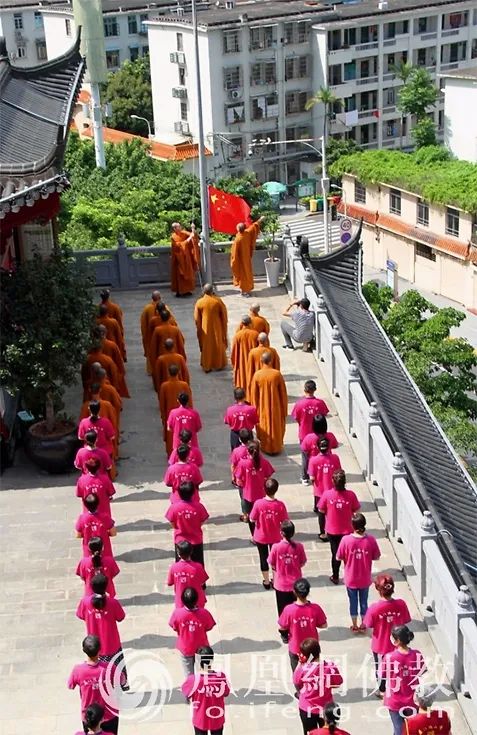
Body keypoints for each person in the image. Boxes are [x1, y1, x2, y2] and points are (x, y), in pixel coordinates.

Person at [363, 574, 411, 696]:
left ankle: (382, 690)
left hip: (381, 645)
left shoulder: (374, 608)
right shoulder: (401, 604)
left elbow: (368, 625)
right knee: (398, 668)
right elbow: (405, 620)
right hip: (398, 644)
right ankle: (398, 687)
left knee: (380, 669)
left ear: (378, 589)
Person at [76, 574, 127, 683]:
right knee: (116, 675)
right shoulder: (113, 602)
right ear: (106, 586)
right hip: (112, 645)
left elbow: (80, 615)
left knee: (100, 677)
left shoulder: (85, 602)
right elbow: (121, 617)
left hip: (94, 647)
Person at [336, 513, 381, 632]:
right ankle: (364, 625)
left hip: (351, 578)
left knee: (353, 602)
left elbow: (338, 557)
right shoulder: (370, 540)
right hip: (365, 577)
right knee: (364, 602)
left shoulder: (346, 540)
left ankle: (354, 625)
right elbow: (376, 556)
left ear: (352, 525)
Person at [68, 636, 119, 734]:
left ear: (83, 650)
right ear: (100, 649)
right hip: (109, 715)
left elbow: (70, 685)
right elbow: (121, 681)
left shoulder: (78, 670)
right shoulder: (109, 668)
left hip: (89, 717)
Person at [381, 625, 426, 735]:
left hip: (395, 700)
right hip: (413, 699)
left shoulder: (389, 657)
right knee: (413, 729)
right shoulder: (417, 654)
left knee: (398, 730)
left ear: (398, 640)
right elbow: (422, 671)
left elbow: (382, 675)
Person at [318, 470, 361, 585]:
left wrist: (322, 531)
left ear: (333, 481)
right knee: (348, 554)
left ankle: (335, 576)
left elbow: (321, 512)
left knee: (335, 554)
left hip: (332, 531)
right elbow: (356, 512)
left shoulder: (327, 495)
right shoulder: (351, 495)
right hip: (348, 530)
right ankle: (350, 576)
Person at [293, 638, 343, 734]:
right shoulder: (330, 667)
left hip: (306, 707)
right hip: (325, 708)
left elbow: (296, 681)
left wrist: (300, 663)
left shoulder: (303, 668)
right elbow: (338, 683)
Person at [278, 578, 327, 672]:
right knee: (313, 673)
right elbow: (324, 625)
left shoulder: (289, 610)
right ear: (308, 592)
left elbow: (282, 627)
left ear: (294, 592)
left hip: (295, 647)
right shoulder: (315, 608)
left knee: (298, 674)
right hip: (312, 647)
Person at [182, 646, 231, 735]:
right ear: (211, 660)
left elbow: (186, 693)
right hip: (217, 718)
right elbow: (226, 692)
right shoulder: (221, 677)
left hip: (200, 719)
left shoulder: (192, 680)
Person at [249, 478, 288, 589]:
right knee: (275, 558)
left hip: (261, 535)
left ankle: (266, 581)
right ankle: (275, 579)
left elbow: (251, 519)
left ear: (264, 489)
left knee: (263, 557)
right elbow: (285, 521)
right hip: (275, 536)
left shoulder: (258, 503)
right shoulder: (280, 505)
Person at [169, 587, 216, 676]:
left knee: (189, 675)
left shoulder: (177, 613)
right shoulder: (204, 613)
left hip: (185, 648)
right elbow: (209, 627)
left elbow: (174, 626)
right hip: (202, 650)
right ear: (197, 599)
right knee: (204, 674)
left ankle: (191, 688)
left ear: (182, 600)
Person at [235, 440, 275, 538]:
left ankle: (254, 536)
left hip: (248, 495)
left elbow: (238, 480)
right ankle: (264, 533)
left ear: (248, 451)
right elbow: (269, 477)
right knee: (261, 516)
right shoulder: (264, 462)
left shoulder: (243, 463)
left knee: (251, 517)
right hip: (261, 494)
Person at [250, 351, 288, 455]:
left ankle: (265, 447)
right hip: (276, 407)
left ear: (261, 361)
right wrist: (283, 409)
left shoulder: (257, 375)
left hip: (262, 408)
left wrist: (255, 409)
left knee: (264, 425)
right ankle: (276, 446)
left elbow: (254, 395)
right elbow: (283, 394)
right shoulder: (277, 374)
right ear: (271, 360)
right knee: (276, 426)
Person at [268, 520, 307, 615]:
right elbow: (302, 562)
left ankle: (285, 629)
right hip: (296, 585)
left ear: (281, 533)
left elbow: (272, 563)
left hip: (281, 584)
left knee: (283, 613)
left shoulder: (276, 547)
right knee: (297, 612)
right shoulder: (299, 546)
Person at [166, 481, 209, 567]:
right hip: (196, 540)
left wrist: (178, 527)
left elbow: (171, 521)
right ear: (193, 493)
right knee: (198, 566)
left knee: (181, 565)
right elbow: (204, 519)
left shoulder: (174, 508)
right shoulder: (199, 506)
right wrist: (196, 526)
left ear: (179, 493)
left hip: (180, 541)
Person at [291, 381, 329, 473]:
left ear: (305, 390)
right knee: (318, 454)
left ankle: (305, 476)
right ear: (315, 390)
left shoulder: (299, 404)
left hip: (304, 434)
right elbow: (324, 415)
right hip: (318, 434)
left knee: (305, 456)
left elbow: (295, 417)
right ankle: (316, 473)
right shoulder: (320, 403)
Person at [308, 438, 342, 538]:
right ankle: (335, 530)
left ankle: (323, 533)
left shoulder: (313, 460)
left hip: (319, 492)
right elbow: (339, 472)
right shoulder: (335, 458)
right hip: (333, 491)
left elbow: (312, 478)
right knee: (333, 512)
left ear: (318, 447)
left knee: (321, 513)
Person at [194, 283, 228, 372]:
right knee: (217, 343)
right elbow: (224, 316)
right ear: (212, 291)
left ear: (204, 291)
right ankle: (219, 364)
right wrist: (223, 326)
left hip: (205, 327)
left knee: (207, 345)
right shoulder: (217, 301)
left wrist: (199, 328)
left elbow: (197, 318)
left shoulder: (199, 302)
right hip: (217, 326)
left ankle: (207, 365)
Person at [159, 364, 193, 455]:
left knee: (172, 435)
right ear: (178, 372)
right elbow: (190, 400)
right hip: (185, 413)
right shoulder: (184, 385)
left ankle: (172, 453)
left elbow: (162, 403)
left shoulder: (164, 386)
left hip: (170, 413)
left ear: (168, 373)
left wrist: (163, 416)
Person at [167, 540, 209, 608]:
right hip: (197, 601)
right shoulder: (198, 567)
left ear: (178, 554)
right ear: (191, 552)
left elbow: (170, 583)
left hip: (181, 602)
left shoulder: (173, 567)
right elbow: (202, 582)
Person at [230, 216, 264, 297]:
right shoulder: (247, 233)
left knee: (243, 275)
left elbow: (234, 253)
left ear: (238, 229)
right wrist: (260, 220)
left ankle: (245, 292)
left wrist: (233, 262)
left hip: (241, 260)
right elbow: (254, 226)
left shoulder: (238, 239)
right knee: (247, 273)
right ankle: (247, 290)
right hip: (247, 257)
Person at [75, 493, 117, 558]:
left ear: (85, 505)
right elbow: (113, 533)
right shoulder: (105, 517)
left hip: (88, 550)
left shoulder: (82, 518)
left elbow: (78, 535)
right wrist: (105, 534)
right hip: (104, 548)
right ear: (98, 503)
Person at [301, 414, 338, 484]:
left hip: (313, 466)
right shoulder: (330, 435)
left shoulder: (308, 437)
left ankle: (305, 478)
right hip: (328, 463)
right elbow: (335, 445)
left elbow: (304, 456)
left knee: (304, 458)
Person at [96, 324, 129, 399]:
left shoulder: (90, 349)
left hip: (96, 374)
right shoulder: (111, 345)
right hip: (110, 370)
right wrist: (121, 371)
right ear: (105, 332)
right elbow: (118, 360)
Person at [246, 332, 281, 398]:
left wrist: (250, 385)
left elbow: (250, 369)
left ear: (258, 340)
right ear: (267, 340)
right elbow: (277, 366)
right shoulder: (272, 351)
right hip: (271, 379)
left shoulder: (253, 352)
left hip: (258, 378)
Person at [171, 221, 199, 297]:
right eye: (178, 227)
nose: (180, 228)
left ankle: (187, 290)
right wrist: (188, 239)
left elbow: (192, 236)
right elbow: (178, 246)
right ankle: (180, 292)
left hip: (186, 258)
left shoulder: (183, 232)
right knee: (180, 276)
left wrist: (193, 229)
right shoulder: (173, 237)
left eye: (180, 226)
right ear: (175, 229)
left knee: (189, 274)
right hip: (179, 260)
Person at [230, 315, 259, 388]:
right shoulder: (255, 334)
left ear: (242, 323)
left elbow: (234, 350)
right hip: (253, 361)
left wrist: (234, 361)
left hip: (241, 360)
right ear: (250, 323)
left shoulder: (237, 335)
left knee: (242, 376)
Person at [140, 290, 163, 371]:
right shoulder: (165, 308)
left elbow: (143, 323)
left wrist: (146, 335)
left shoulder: (147, 309)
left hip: (151, 335)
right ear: (160, 298)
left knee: (151, 350)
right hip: (162, 336)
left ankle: (151, 368)